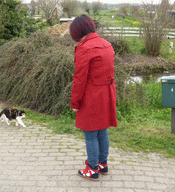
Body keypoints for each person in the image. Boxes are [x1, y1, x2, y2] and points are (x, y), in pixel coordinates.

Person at [69, 14, 118, 181]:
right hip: (107, 94)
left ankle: (92, 169)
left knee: (90, 134)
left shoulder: (84, 48)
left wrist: (75, 102)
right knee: (102, 131)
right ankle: (102, 164)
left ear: (77, 31)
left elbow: (80, 78)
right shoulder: (107, 45)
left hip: (91, 96)